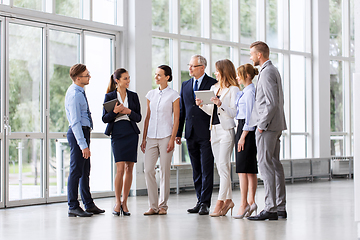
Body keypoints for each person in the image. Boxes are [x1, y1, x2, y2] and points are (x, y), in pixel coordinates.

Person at [247, 41, 287, 221]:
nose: (250, 57)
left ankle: (270, 207)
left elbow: (271, 102)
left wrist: (262, 125)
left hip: (268, 126)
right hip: (274, 125)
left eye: (252, 54)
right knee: (275, 165)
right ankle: (280, 206)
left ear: (259, 55)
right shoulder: (272, 70)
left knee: (266, 166)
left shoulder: (267, 72)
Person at [196, 59, 240, 217]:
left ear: (224, 71)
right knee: (222, 168)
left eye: (217, 70)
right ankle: (228, 200)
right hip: (213, 130)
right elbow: (212, 112)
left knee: (223, 165)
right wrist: (203, 105)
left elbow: (234, 113)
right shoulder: (214, 87)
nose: (215, 73)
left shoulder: (234, 90)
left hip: (226, 130)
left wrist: (220, 103)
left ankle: (221, 201)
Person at [175, 55, 217, 215]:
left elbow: (215, 110)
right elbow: (182, 111)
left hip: (207, 133)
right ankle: (199, 200)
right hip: (190, 133)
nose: (190, 68)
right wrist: (179, 132)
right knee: (196, 170)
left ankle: (205, 203)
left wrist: (214, 130)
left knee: (207, 169)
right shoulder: (185, 85)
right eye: (189, 65)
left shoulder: (212, 83)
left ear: (202, 67)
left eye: (193, 66)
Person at [65, 63, 105, 217]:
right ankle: (73, 206)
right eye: (87, 75)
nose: (89, 77)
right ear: (77, 78)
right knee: (76, 171)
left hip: (83, 132)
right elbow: (75, 122)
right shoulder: (74, 94)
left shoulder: (80, 91)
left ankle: (88, 204)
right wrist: (83, 145)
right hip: (78, 134)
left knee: (85, 170)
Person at [141, 65, 180, 215]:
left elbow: (176, 119)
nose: (156, 77)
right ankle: (153, 205)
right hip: (151, 136)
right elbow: (148, 117)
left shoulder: (174, 95)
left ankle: (163, 205)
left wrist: (172, 138)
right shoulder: (150, 94)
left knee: (164, 171)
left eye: (159, 75)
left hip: (166, 136)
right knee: (148, 170)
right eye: (155, 74)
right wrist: (144, 138)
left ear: (167, 77)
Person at [102, 68, 141, 216]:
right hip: (117, 133)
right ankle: (117, 202)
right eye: (125, 78)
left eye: (129, 78)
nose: (128, 81)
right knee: (119, 169)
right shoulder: (109, 96)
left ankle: (125, 202)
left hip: (131, 133)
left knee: (129, 168)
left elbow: (138, 117)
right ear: (117, 81)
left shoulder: (133, 96)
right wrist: (115, 112)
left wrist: (128, 111)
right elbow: (105, 119)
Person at [233, 64, 258, 219]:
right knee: (247, 169)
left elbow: (250, 117)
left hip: (246, 130)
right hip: (241, 128)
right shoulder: (244, 92)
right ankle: (250, 202)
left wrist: (242, 136)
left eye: (239, 75)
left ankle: (245, 203)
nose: (237, 78)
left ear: (247, 75)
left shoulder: (250, 94)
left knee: (245, 169)